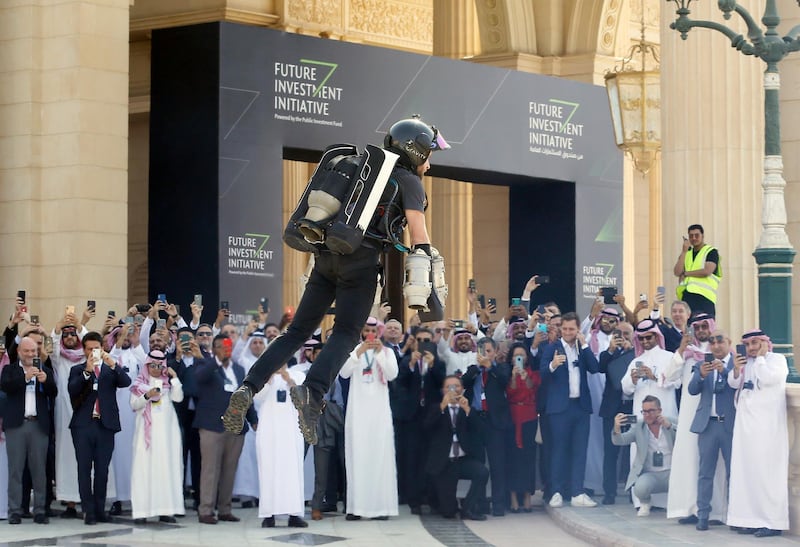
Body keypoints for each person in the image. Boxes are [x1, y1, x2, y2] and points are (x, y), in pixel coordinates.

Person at [224, 116, 449, 444]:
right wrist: (426, 274)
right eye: (428, 155)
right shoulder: (407, 181)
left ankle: (248, 386)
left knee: (296, 332)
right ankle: (313, 394)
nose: (429, 164)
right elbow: (418, 234)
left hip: (327, 255)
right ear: (414, 152)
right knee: (346, 333)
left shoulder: (356, 166)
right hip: (362, 261)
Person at [725, 330, 789, 538]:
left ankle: (772, 522)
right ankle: (749, 519)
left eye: (755, 343)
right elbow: (734, 383)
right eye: (748, 344)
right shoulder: (748, 363)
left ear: (764, 343)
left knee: (767, 474)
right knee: (746, 472)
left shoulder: (776, 360)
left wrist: (760, 358)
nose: (751, 348)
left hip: (767, 427)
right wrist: (736, 369)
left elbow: (770, 379)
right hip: (746, 426)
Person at [67, 331, 132, 525]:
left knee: (102, 470)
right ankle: (88, 511)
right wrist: (87, 371)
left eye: (96, 348)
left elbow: (126, 382)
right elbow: (72, 389)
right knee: (84, 469)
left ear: (102, 348)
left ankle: (99, 508)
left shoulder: (110, 369)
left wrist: (113, 363)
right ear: (83, 350)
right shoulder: (77, 370)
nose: (92, 352)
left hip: (106, 425)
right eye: (89, 349)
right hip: (83, 426)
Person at [338, 319, 399, 520]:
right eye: (367, 330)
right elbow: (344, 372)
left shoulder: (387, 352)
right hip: (358, 415)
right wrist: (360, 352)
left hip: (380, 414)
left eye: (374, 330)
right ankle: (357, 508)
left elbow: (392, 374)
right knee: (358, 458)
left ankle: (381, 508)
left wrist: (380, 354)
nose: (370, 334)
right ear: (362, 332)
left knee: (381, 458)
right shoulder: (354, 351)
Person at [193, 334, 256, 525]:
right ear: (215, 349)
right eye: (222, 347)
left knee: (230, 470)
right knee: (210, 469)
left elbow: (246, 394)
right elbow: (198, 379)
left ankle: (224, 509)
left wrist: (253, 419)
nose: (226, 350)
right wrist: (215, 361)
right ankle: (206, 510)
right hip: (212, 426)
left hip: (236, 427)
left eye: (228, 347)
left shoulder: (238, 369)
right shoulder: (205, 366)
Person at [539, 312, 600, 508]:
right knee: (559, 450)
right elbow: (541, 373)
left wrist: (584, 345)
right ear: (560, 330)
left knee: (580, 450)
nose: (567, 332)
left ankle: (577, 492)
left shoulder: (582, 349)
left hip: (580, 407)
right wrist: (552, 365)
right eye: (564, 329)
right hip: (559, 408)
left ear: (577, 330)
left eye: (571, 329)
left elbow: (594, 368)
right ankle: (556, 492)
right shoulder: (552, 348)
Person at [1, 337, 57, 525]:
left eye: (34, 351)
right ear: (19, 352)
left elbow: (54, 392)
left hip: (38, 425)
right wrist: (25, 377)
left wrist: (46, 381)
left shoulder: (44, 369)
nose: (31, 354)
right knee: (15, 470)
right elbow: (6, 386)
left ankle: (40, 510)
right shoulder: (10, 370)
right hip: (16, 425)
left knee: (39, 470)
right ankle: (15, 511)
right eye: (27, 351)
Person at [686, 329, 736, 532]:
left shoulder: (736, 365)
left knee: (734, 473)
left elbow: (737, 386)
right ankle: (703, 515)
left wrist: (725, 372)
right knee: (705, 472)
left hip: (729, 425)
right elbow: (691, 390)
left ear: (729, 342)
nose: (715, 346)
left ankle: (735, 515)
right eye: (712, 342)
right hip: (708, 425)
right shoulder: (702, 365)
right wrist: (700, 376)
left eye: (720, 341)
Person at [129, 350, 184, 524]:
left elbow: (179, 398)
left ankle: (166, 510)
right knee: (143, 471)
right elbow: (134, 404)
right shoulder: (139, 384)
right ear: (146, 365)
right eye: (152, 365)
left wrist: (174, 378)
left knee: (166, 470)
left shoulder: (168, 384)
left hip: (167, 436)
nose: (155, 369)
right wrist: (147, 395)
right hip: (145, 437)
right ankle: (142, 512)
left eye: (159, 366)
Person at [423, 375, 488, 521]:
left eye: (456, 386)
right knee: (448, 512)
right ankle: (449, 505)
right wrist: (442, 407)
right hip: (444, 462)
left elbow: (481, 430)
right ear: (443, 391)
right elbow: (426, 428)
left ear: (462, 389)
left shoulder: (467, 407)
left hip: (463, 460)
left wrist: (467, 410)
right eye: (449, 387)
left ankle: (468, 508)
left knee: (482, 472)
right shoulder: (436, 408)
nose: (453, 390)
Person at [255, 364, 308, 529]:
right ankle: (268, 515)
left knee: (293, 472)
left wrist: (288, 379)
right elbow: (257, 396)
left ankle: (294, 515)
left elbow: (303, 399)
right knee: (268, 471)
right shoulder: (262, 374)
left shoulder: (298, 375)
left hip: (291, 433)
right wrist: (268, 378)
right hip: (269, 432)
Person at [611, 395, 676, 517]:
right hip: (651, 474)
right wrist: (616, 427)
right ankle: (645, 503)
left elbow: (684, 440)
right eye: (644, 411)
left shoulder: (671, 421)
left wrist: (669, 426)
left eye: (651, 411)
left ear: (659, 411)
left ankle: (680, 507)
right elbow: (619, 441)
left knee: (687, 483)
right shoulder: (639, 427)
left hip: (672, 471)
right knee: (640, 487)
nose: (647, 414)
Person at [598, 321, 634, 505]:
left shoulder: (637, 353)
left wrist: (630, 350)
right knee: (610, 452)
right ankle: (609, 492)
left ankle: (632, 491)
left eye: (626, 333)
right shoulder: (608, 353)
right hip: (612, 410)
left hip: (631, 408)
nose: (622, 336)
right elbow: (600, 367)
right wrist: (612, 350)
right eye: (618, 333)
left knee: (631, 452)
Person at [505, 343, 540, 513]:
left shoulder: (532, 373)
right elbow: (510, 392)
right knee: (512, 457)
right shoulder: (506, 373)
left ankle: (527, 495)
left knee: (528, 457)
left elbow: (532, 388)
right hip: (512, 416)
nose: (519, 358)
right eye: (515, 355)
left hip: (529, 416)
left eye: (522, 355)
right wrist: (513, 376)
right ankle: (513, 496)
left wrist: (525, 376)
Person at [673, 224, 721, 317]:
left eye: (697, 235)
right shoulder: (687, 253)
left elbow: (707, 271)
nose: (694, 238)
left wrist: (686, 273)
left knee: (704, 327)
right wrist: (684, 252)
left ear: (702, 236)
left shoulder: (711, 251)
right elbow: (677, 272)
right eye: (691, 236)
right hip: (687, 297)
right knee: (688, 327)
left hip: (704, 298)